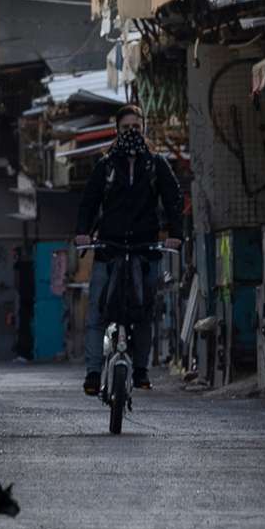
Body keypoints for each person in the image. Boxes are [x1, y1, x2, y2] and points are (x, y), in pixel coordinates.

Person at [71, 104, 183, 393]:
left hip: (146, 250)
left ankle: (142, 370)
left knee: (145, 313)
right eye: (126, 128)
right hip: (109, 249)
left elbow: (173, 200)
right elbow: (88, 203)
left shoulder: (156, 165)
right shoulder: (105, 166)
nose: (131, 133)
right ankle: (94, 374)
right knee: (96, 315)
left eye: (136, 128)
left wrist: (175, 235)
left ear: (143, 129)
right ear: (116, 131)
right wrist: (83, 233)